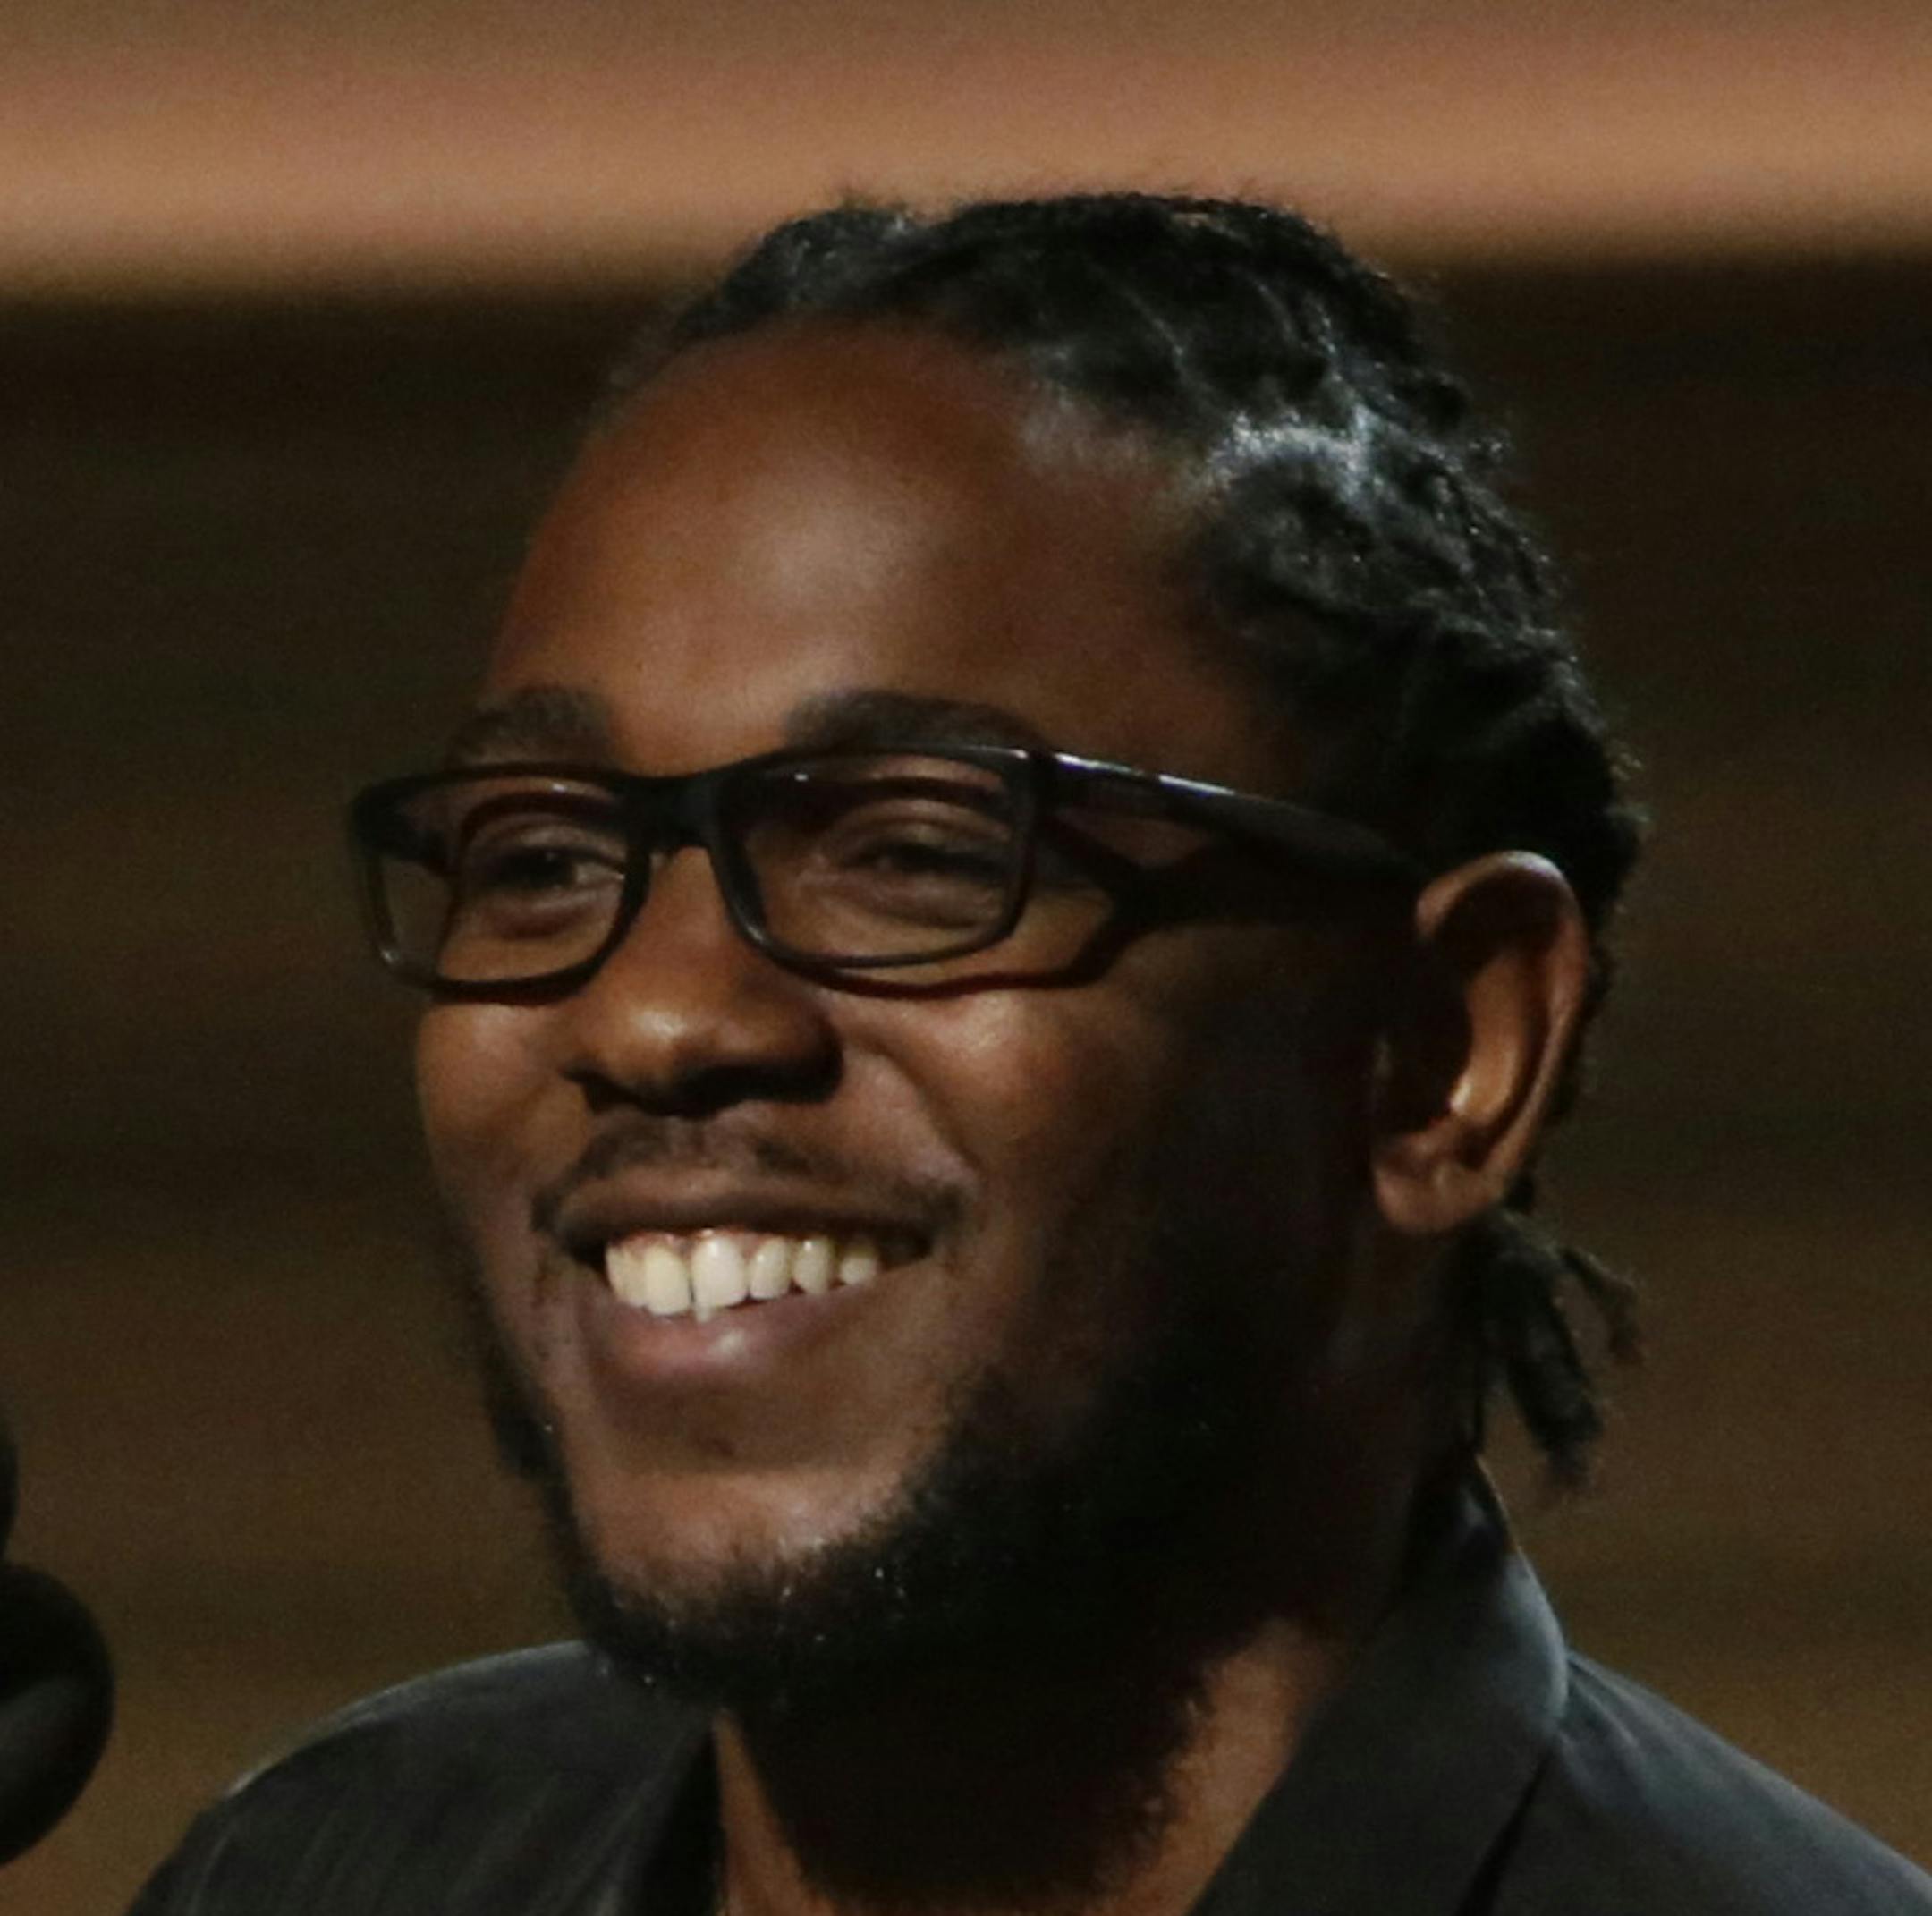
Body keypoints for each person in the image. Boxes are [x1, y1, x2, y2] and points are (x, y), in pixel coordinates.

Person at [129, 193, 1932, 1914]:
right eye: (541, 859)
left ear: (1447, 1050)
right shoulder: (330, 1872)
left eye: (917, 850)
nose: (657, 1014)